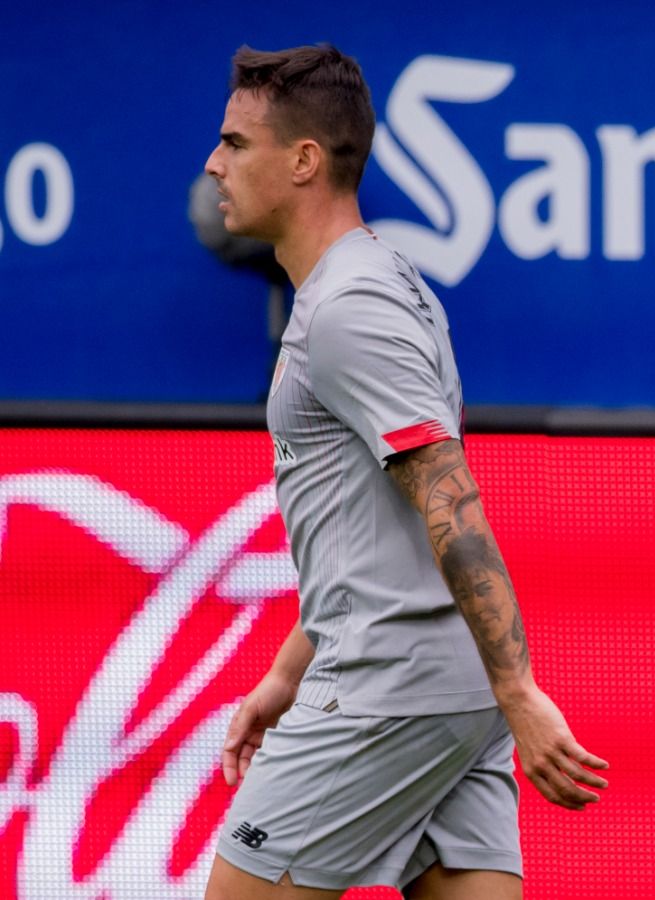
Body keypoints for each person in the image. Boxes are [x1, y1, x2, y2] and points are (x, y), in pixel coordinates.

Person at [201, 44, 608, 899]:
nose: (214, 163)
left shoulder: (351, 309)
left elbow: (450, 502)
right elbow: (377, 539)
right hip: (449, 694)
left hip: (386, 693)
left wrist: (522, 691)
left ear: (304, 160)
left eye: (237, 143)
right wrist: (284, 675)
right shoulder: (387, 286)